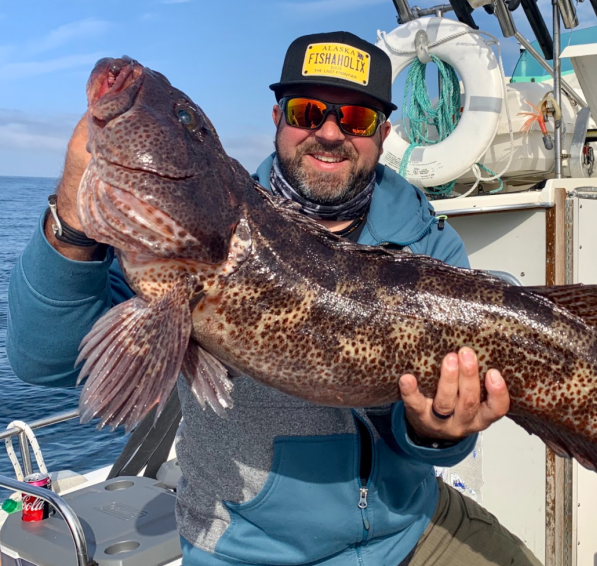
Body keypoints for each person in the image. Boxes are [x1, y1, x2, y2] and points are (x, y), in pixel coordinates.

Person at [6, 32, 540, 566]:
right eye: (308, 111)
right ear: (277, 119)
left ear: (383, 133)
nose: (330, 133)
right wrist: (73, 225)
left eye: (355, 119)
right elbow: (43, 360)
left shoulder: (428, 244)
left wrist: (435, 433)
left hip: (409, 528)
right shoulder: (172, 255)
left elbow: (443, 429)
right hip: (247, 551)